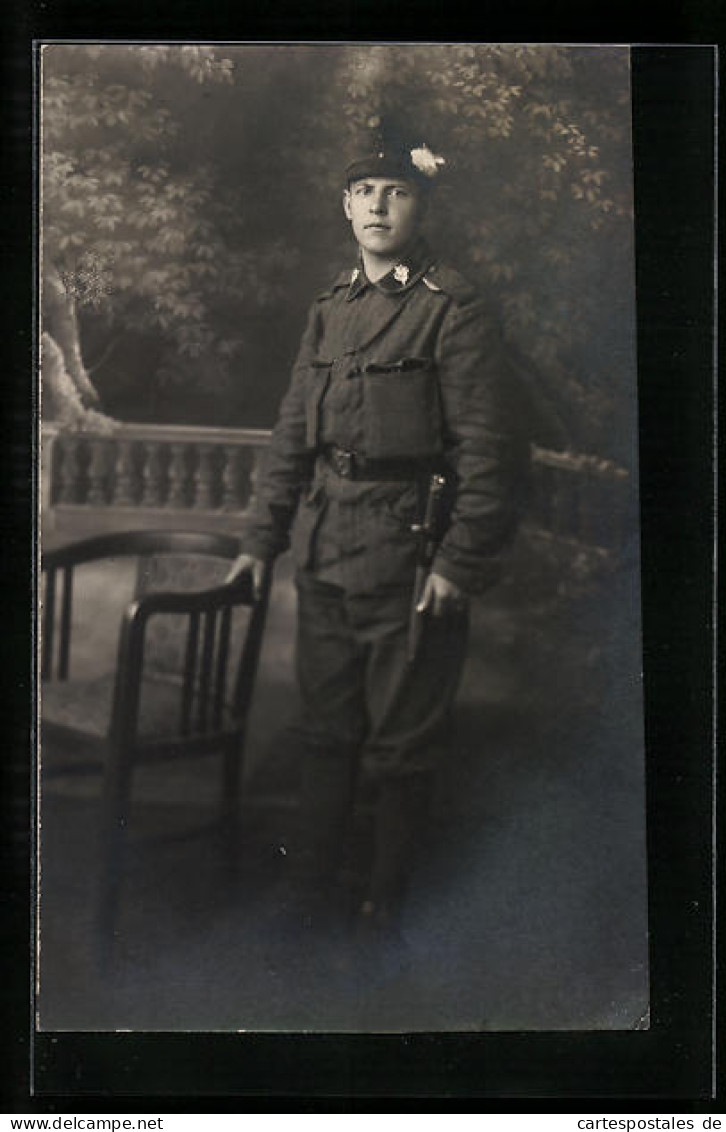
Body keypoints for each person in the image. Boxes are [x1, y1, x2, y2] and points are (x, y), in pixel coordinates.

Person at [227, 117, 519, 936]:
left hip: (409, 555)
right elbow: (293, 432)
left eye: (398, 193)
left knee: (400, 745)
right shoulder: (329, 309)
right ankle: (308, 894)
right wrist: (260, 540)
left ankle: (386, 907)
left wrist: (457, 563)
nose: (380, 207)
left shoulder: (452, 309)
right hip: (326, 549)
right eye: (365, 193)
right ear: (345, 206)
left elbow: (490, 454)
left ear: (420, 208)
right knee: (323, 732)